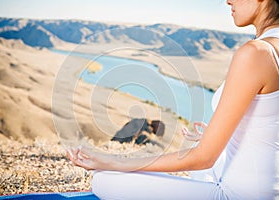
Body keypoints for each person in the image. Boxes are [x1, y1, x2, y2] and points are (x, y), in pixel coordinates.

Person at [67, 0, 279, 199]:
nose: (228, 1)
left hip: (239, 195)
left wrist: (113, 161)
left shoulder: (256, 53)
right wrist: (219, 136)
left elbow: (203, 159)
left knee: (104, 181)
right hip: (265, 186)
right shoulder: (267, 49)